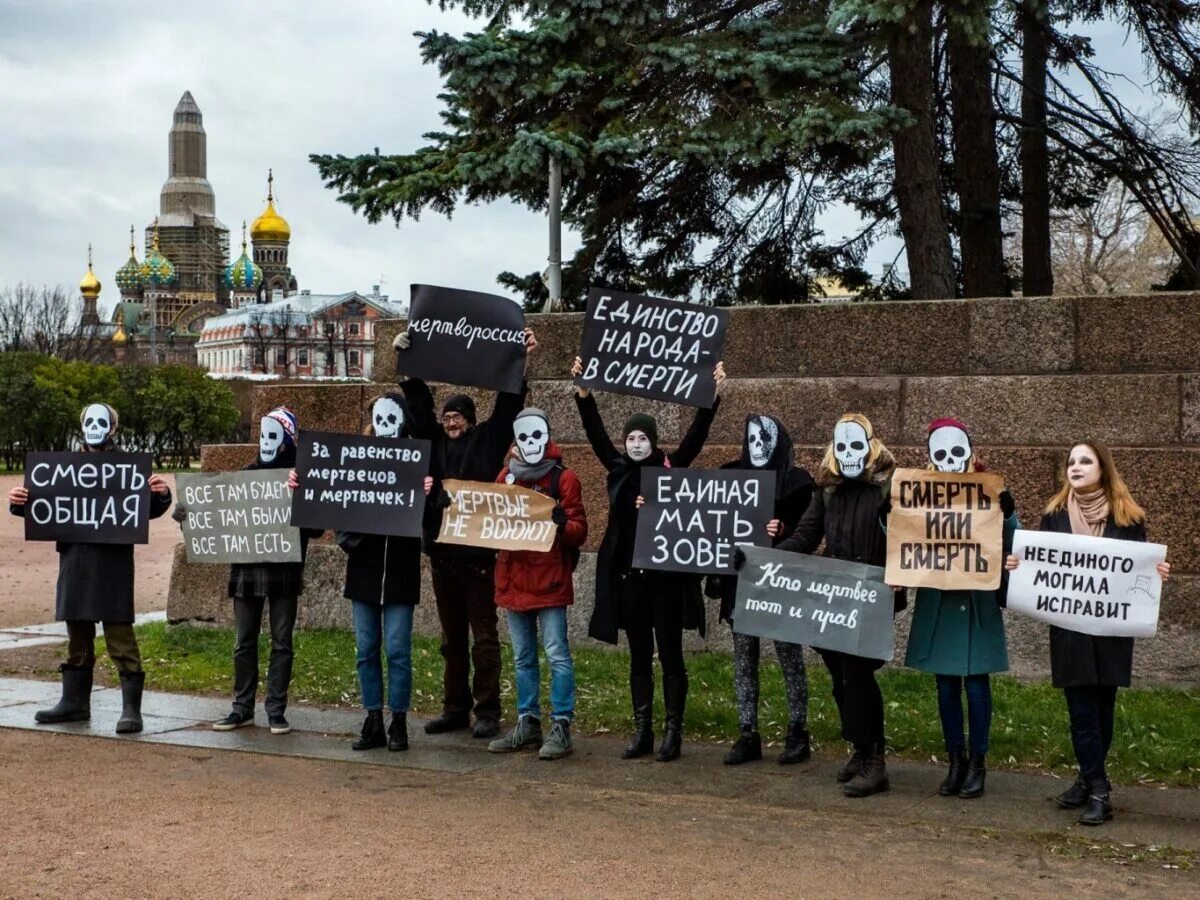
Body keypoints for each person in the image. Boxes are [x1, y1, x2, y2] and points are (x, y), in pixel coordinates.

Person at [1005, 440, 1170, 826]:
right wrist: (1020, 565)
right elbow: (1040, 565)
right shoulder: (1054, 515)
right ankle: (1099, 789)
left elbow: (1138, 571)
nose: (1075, 467)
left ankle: (1086, 778)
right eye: (1070, 462)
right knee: (1081, 710)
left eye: (1085, 461)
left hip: (1112, 631)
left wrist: (1156, 572)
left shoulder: (1128, 518)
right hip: (1071, 631)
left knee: (1102, 708)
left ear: (1103, 469)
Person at [572, 356, 726, 762]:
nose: (636, 444)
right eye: (632, 438)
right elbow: (596, 434)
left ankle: (673, 730)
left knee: (670, 652)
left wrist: (712, 394)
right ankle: (643, 729)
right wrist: (584, 393)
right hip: (630, 581)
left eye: (643, 438)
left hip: (667, 583)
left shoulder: (672, 468)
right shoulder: (618, 468)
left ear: (654, 442)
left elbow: (697, 434)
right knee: (639, 653)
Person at [393, 327, 537, 739]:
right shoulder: (433, 442)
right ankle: (454, 707)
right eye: (447, 417)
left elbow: (509, 407)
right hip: (442, 556)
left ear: (470, 420)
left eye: (457, 417)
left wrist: (520, 361)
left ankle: (487, 711)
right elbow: (419, 410)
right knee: (450, 639)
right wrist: (408, 369)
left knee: (484, 638)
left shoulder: (488, 442)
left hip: (478, 559)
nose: (450, 422)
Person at [8, 402, 173, 734]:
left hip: (113, 565)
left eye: (102, 421)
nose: (95, 427)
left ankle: (131, 709)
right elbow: (43, 510)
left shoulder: (128, 467)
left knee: (120, 636)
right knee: (77, 635)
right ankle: (74, 702)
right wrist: (19, 502)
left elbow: (142, 510)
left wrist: (162, 495)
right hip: (76, 561)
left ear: (113, 428)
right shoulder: (60, 468)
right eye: (89, 421)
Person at [765, 412, 904, 797]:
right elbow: (807, 535)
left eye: (856, 445)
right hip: (836, 598)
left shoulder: (889, 489)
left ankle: (876, 760)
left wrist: (895, 564)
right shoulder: (828, 491)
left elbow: (908, 540)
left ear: (871, 446)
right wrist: (767, 559)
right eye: (841, 446)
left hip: (874, 595)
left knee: (858, 674)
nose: (848, 454)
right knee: (839, 674)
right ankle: (860, 750)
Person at [904, 418, 1018, 799]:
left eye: (957, 451)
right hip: (940, 599)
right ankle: (955, 760)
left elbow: (1012, 542)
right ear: (930, 457)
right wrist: (887, 520)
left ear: (970, 452)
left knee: (977, 686)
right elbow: (904, 542)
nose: (950, 460)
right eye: (941, 453)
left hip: (976, 601)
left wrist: (1009, 513)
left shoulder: (990, 489)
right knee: (946, 685)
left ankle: (978, 764)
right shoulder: (919, 492)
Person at [208, 406, 320, 736]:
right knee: (244, 642)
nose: (266, 442)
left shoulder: (299, 477)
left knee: (281, 641)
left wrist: (302, 496)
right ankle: (241, 708)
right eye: (262, 435)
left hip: (284, 570)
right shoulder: (245, 474)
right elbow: (217, 517)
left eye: (274, 436)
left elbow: (315, 529)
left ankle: (275, 710)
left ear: (286, 440)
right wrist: (189, 512)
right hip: (247, 570)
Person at [710, 414, 814, 766]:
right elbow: (706, 520)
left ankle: (798, 731)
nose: (758, 448)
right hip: (741, 585)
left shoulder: (797, 484)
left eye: (765, 441)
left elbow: (808, 534)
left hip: (780, 586)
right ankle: (747, 732)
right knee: (743, 660)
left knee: (789, 657)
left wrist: (782, 529)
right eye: (752, 440)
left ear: (778, 444)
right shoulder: (730, 476)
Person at [333, 393, 434, 752]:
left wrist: (428, 494)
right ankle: (373, 717)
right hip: (364, 570)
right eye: (380, 419)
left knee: (397, 649)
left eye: (392, 419)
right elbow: (334, 503)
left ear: (403, 421)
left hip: (401, 573)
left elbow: (435, 515)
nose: (385, 427)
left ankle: (400, 720)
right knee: (366, 649)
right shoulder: (358, 462)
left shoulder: (419, 461)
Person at [486, 407, 587, 760]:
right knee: (523, 657)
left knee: (557, 654)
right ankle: (527, 722)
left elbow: (579, 532)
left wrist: (562, 524)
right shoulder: (505, 477)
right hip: (515, 579)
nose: (529, 444)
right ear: (515, 441)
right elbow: (490, 521)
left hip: (549, 581)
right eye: (523, 437)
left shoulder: (565, 479)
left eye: (536, 436)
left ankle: (561, 724)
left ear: (547, 437)